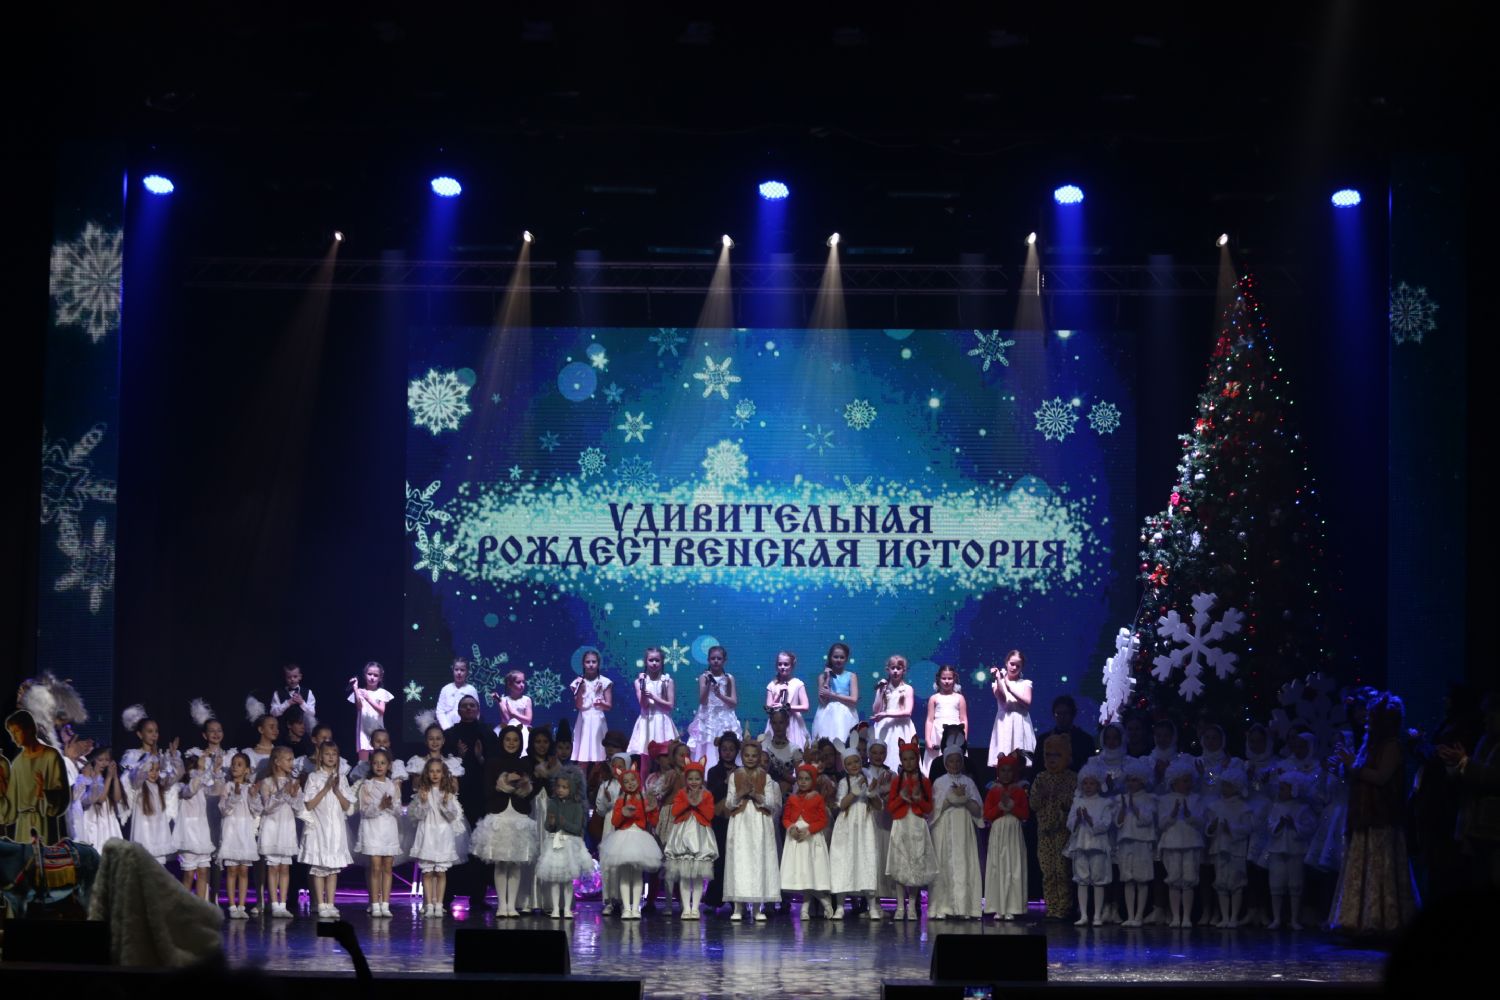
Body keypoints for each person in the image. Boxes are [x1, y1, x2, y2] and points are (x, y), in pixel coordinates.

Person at [1328, 692, 1420, 934]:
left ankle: (1381, 920)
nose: (1366, 719)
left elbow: (1381, 777)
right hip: (1364, 816)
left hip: (1382, 818)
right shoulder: (1370, 743)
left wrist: (1352, 765)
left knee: (1380, 870)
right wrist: (1345, 765)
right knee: (1363, 869)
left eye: (1371, 716)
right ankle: (1357, 920)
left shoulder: (1391, 746)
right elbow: (1359, 772)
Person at [472, 725, 537, 918]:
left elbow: (529, 793)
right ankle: (502, 905)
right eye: (508, 739)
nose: (511, 743)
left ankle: (512, 905)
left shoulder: (525, 764)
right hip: (499, 815)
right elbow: (487, 791)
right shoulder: (493, 763)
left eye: (515, 740)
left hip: (518, 816)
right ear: (502, 741)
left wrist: (523, 785)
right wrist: (505, 781)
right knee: (501, 862)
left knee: (515, 863)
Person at [724, 736, 783, 921]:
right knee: (740, 861)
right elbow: (729, 803)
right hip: (740, 821)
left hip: (759, 821)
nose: (750, 758)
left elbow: (771, 803)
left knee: (759, 860)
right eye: (747, 755)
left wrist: (756, 795)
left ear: (759, 757)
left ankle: (758, 907)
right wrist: (741, 793)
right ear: (742, 756)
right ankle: (738, 907)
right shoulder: (735, 775)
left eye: (754, 755)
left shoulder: (766, 777)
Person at [928, 737, 983, 920]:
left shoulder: (968, 782)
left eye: (958, 761)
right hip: (943, 828)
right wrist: (950, 798)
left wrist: (964, 798)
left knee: (964, 863)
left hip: (963, 829)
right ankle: (941, 907)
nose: (954, 764)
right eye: (951, 761)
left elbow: (978, 810)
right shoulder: (939, 782)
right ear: (945, 763)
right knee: (943, 864)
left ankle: (964, 907)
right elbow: (934, 809)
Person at [300, 740, 356, 919]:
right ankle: (320, 904)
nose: (331, 757)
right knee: (319, 866)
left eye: (334, 754)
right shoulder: (314, 777)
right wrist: (326, 788)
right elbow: (309, 804)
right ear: (320, 757)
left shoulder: (342, 778)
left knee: (332, 868)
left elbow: (347, 806)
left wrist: (337, 790)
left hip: (336, 829)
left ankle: (330, 903)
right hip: (319, 828)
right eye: (327, 754)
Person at [601, 760, 663, 920]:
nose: (630, 783)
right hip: (623, 839)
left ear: (638, 780)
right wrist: (623, 813)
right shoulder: (620, 801)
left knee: (637, 876)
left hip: (640, 838)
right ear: (622, 784)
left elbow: (653, 821)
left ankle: (635, 908)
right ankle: (626, 908)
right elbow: (615, 822)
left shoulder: (643, 799)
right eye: (626, 781)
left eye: (633, 780)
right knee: (624, 876)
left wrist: (653, 810)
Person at [886, 738, 937, 920]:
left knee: (916, 864)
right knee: (901, 865)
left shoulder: (925, 782)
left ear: (917, 759)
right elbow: (891, 808)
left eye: (912, 759)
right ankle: (900, 906)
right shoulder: (896, 782)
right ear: (901, 760)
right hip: (901, 824)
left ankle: (912, 906)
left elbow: (928, 808)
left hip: (917, 824)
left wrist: (917, 799)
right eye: (905, 759)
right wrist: (901, 797)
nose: (908, 763)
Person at [3, 710, 70, 845]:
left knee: (44, 856)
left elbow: (63, 796)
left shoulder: (51, 756)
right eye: (11, 733)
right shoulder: (17, 764)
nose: (13, 737)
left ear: (29, 729)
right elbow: (10, 806)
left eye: (16, 731)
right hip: (23, 828)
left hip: (44, 824)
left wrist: (43, 793)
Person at [830, 740, 881, 919]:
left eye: (856, 761)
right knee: (844, 861)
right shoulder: (844, 782)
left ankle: (872, 906)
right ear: (845, 765)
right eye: (849, 763)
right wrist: (854, 792)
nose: (853, 765)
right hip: (847, 825)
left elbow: (879, 806)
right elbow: (841, 805)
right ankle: (840, 906)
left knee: (866, 860)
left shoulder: (869, 778)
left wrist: (872, 793)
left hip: (865, 825)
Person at [409, 757, 463, 919]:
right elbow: (418, 815)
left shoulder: (447, 793)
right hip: (427, 834)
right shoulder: (422, 792)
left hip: (442, 835)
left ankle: (439, 904)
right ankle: (429, 904)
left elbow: (452, 816)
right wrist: (424, 802)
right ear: (427, 773)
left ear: (443, 773)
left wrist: (446, 803)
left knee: (440, 872)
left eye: (438, 771)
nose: (435, 774)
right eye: (431, 771)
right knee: (427, 872)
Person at [1031, 733, 1078, 920]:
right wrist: (1040, 795)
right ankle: (1052, 907)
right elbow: (1033, 804)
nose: (1052, 759)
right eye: (1048, 755)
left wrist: (1064, 804)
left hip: (1064, 833)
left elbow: (1074, 803)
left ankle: (1064, 907)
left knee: (1062, 871)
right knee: (1048, 871)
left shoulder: (1071, 778)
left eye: (1057, 755)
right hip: (1045, 833)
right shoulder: (1041, 778)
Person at [664, 757, 718, 919]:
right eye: (690, 779)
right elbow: (675, 811)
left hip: (700, 836)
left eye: (697, 779)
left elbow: (710, 815)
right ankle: (686, 908)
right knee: (685, 874)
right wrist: (689, 801)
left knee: (698, 876)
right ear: (686, 779)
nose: (694, 782)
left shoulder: (707, 794)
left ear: (702, 779)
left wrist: (698, 802)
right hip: (683, 835)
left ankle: (695, 908)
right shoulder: (681, 793)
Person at [1263, 769, 1318, 929]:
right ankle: (1277, 919)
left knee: (1295, 885)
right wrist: (1279, 825)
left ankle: (1294, 919)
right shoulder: (1276, 807)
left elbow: (1310, 828)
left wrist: (1295, 826)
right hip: (1277, 849)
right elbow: (1269, 825)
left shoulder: (1303, 808)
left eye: (1283, 789)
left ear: (1294, 789)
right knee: (1276, 885)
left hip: (1296, 850)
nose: (1280, 792)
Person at [1158, 753, 1206, 928]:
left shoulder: (1196, 799)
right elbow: (1161, 824)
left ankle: (1186, 917)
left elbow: (1201, 822)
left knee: (1189, 880)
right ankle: (1176, 917)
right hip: (1171, 843)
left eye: (1189, 780)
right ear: (1174, 781)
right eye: (1184, 781)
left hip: (1191, 843)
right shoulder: (1165, 800)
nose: (1187, 784)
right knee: (1174, 879)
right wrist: (1173, 814)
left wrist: (1189, 815)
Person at [1066, 758, 1116, 926]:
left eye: (1092, 783)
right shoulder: (1077, 801)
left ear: (1098, 784)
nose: (1088, 786)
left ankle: (1097, 916)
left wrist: (1089, 819)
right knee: (1081, 879)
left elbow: (1106, 824)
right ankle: (1084, 915)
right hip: (1081, 844)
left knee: (1098, 879)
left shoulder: (1104, 802)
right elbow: (1069, 823)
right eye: (1085, 783)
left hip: (1097, 846)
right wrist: (1077, 820)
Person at [780, 762, 835, 918]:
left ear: (813, 780)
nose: (803, 782)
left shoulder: (817, 798)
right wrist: (791, 828)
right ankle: (817, 904)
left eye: (807, 779)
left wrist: (809, 830)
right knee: (802, 874)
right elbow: (786, 818)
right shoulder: (792, 798)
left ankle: (814, 905)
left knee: (810, 873)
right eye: (800, 779)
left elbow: (822, 820)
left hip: (811, 839)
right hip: (796, 838)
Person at [1205, 761, 1256, 927]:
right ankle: (1225, 917)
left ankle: (1233, 917)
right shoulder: (1214, 806)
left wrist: (1232, 828)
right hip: (1219, 848)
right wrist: (1211, 828)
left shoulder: (1244, 808)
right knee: (1221, 883)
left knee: (1236, 883)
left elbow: (1248, 828)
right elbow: (1209, 827)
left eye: (1229, 786)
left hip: (1236, 850)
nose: (1225, 788)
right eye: (1224, 785)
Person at [353, 748, 402, 917]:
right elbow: (365, 811)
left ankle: (385, 904)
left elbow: (398, 810)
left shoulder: (393, 785)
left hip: (389, 830)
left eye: (382, 763)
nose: (379, 766)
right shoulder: (367, 785)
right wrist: (380, 806)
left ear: (389, 765)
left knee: (387, 867)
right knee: (375, 867)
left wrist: (390, 805)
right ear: (371, 765)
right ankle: (374, 903)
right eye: (375, 763)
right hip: (373, 829)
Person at [535, 771, 591, 919]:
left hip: (570, 844)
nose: (560, 790)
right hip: (555, 843)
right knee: (555, 878)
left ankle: (566, 909)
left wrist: (563, 822)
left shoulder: (577, 806)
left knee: (567, 880)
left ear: (571, 788)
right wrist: (551, 823)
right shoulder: (553, 803)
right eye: (558, 786)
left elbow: (577, 828)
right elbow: (548, 827)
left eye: (564, 787)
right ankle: (555, 908)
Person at [256, 745, 303, 918]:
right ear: (277, 762)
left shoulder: (293, 782)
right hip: (272, 828)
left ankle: (283, 904)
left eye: (292, 759)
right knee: (273, 867)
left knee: (285, 868)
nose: (292, 763)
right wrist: (282, 792)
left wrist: (295, 794)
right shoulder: (267, 782)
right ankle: (274, 904)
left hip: (287, 828)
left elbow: (298, 808)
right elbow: (267, 807)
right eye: (288, 760)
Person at [983, 753, 1030, 920]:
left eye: (1010, 770)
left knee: (1013, 865)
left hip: (1013, 832)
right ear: (998, 771)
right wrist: (1000, 807)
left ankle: (1012, 906)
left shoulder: (1019, 791)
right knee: (998, 866)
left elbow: (1025, 814)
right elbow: (987, 814)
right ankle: (998, 906)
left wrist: (1011, 806)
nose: (1006, 774)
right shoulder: (993, 791)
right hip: (998, 831)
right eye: (1003, 770)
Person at [1113, 756, 1157, 927]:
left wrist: (1134, 807)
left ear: (1143, 781)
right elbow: (1117, 822)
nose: (1131, 784)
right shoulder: (1121, 799)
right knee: (1128, 879)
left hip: (1142, 842)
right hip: (1125, 842)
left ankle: (1139, 916)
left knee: (1142, 879)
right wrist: (1124, 809)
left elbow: (1147, 820)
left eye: (1135, 780)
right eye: (1129, 780)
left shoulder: (1149, 798)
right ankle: (1130, 916)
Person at [218, 752, 259, 918]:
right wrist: (234, 796)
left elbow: (257, 810)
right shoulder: (227, 786)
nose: (235, 767)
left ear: (247, 770)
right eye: (234, 764)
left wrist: (254, 796)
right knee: (232, 870)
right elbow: (224, 810)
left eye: (240, 764)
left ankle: (242, 905)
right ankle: (232, 905)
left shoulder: (250, 788)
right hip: (231, 831)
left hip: (245, 831)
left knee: (243, 870)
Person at [702, 730, 740, 911]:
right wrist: (726, 781)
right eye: (724, 749)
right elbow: (712, 794)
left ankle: (735, 899)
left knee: (734, 859)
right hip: (718, 820)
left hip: (735, 820)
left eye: (731, 749)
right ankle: (714, 899)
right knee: (718, 859)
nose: (728, 752)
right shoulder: (713, 771)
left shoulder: (740, 771)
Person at [688, 646, 740, 768]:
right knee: (707, 744)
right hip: (707, 717)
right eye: (713, 658)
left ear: (724, 660)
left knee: (725, 744)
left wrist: (720, 695)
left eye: (719, 658)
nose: (716, 661)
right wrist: (708, 685)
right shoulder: (703, 677)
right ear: (708, 660)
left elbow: (733, 702)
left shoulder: (729, 678)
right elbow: (702, 701)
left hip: (725, 717)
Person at [72, 745, 129, 851]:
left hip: (109, 820)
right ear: (94, 759)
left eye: (107, 760)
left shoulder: (108, 776)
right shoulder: (90, 777)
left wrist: (115, 777)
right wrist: (109, 778)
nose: (104, 763)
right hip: (94, 820)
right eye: (100, 760)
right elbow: (100, 799)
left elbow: (117, 798)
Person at [987, 650, 1035, 766]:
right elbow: (1002, 700)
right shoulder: (997, 683)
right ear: (1006, 663)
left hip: (1021, 722)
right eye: (1012, 664)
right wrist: (999, 679)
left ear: (1022, 667)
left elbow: (1027, 703)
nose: (1014, 668)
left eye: (1018, 666)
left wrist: (1010, 688)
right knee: (1004, 760)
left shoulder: (1026, 683)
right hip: (1005, 723)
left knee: (1021, 760)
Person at [628, 648, 679, 758]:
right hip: (646, 721)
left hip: (662, 722)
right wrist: (643, 690)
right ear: (646, 661)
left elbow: (670, 706)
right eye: (651, 660)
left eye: (657, 660)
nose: (654, 663)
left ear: (662, 662)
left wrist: (653, 697)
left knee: (665, 757)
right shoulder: (639, 682)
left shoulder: (668, 681)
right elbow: (644, 705)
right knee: (645, 757)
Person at [571, 649, 613, 763]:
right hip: (583, 719)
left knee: (599, 756)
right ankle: (582, 775)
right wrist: (580, 689)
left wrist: (599, 701)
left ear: (598, 663)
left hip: (598, 719)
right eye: (588, 662)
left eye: (594, 662)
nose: (591, 665)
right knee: (582, 757)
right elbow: (579, 705)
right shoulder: (578, 682)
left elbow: (609, 706)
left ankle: (599, 775)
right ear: (583, 664)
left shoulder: (605, 682)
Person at [923, 666, 967, 774]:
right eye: (944, 678)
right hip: (937, 733)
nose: (947, 681)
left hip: (955, 733)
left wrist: (964, 738)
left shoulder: (959, 698)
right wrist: (928, 740)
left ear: (954, 679)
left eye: (949, 678)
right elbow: (929, 720)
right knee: (936, 764)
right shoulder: (934, 698)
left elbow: (963, 719)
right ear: (938, 679)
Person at [1038, 695, 1095, 780]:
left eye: (1065, 713)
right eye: (1058, 714)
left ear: (1073, 714)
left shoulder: (1085, 740)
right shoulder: (1043, 739)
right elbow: (1037, 768)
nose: (1062, 717)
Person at [812, 643, 860, 744]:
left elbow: (854, 700)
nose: (838, 660)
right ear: (830, 658)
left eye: (842, 657)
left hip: (846, 715)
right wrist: (827, 679)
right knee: (826, 743)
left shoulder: (851, 676)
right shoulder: (822, 677)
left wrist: (832, 695)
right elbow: (823, 702)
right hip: (826, 715)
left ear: (846, 659)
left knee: (844, 742)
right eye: (835, 657)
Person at [762, 651, 809, 749]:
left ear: (792, 666)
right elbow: (768, 708)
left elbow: (805, 707)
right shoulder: (772, 685)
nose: (782, 667)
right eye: (780, 664)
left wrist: (786, 707)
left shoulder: (798, 684)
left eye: (786, 664)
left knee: (794, 749)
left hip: (793, 722)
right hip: (776, 722)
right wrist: (778, 695)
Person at [347, 661, 394, 761]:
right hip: (363, 730)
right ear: (365, 675)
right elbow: (359, 706)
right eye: (369, 674)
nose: (372, 677)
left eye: (376, 675)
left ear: (380, 678)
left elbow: (381, 711)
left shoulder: (382, 692)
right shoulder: (360, 691)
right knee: (363, 761)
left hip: (377, 730)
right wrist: (355, 689)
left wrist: (368, 699)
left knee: (378, 759)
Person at [870, 655, 916, 752]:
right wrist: (880, 691)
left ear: (904, 670)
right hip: (885, 726)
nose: (895, 671)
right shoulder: (883, 687)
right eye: (893, 668)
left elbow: (908, 712)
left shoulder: (908, 689)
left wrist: (886, 714)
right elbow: (876, 710)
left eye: (898, 668)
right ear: (888, 670)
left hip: (902, 726)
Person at [493, 670, 534, 754]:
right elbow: (506, 720)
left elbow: (528, 720)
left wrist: (514, 714)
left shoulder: (527, 699)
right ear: (510, 684)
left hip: (523, 730)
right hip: (507, 729)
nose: (522, 685)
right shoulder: (504, 700)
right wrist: (499, 702)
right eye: (518, 682)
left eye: (523, 682)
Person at [436, 656, 479, 731]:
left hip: (466, 729)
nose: (459, 673)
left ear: (467, 672)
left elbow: (476, 712)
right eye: (456, 669)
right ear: (452, 670)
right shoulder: (445, 689)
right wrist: (447, 729)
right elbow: (440, 711)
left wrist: (470, 728)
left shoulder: (471, 690)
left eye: (462, 670)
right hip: (447, 730)